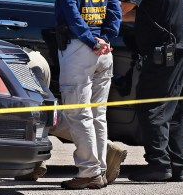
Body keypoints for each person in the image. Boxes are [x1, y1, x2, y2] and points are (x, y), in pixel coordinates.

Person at [44, 0, 121, 190]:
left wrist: (91, 40)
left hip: (79, 50)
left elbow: (73, 17)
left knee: (79, 114)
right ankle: (98, 169)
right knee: (98, 114)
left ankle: (89, 171)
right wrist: (106, 39)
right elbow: (115, 11)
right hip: (104, 53)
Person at [118, 0, 183, 182]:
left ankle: (159, 165)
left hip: (164, 54)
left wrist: (95, 14)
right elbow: (139, 15)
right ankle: (175, 166)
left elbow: (124, 7)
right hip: (177, 53)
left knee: (151, 107)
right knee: (173, 113)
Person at [14, 49, 129, 185]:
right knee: (91, 114)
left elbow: (77, 27)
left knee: (53, 114)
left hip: (20, 63)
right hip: (32, 58)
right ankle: (34, 164)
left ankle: (96, 163)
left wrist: (93, 42)